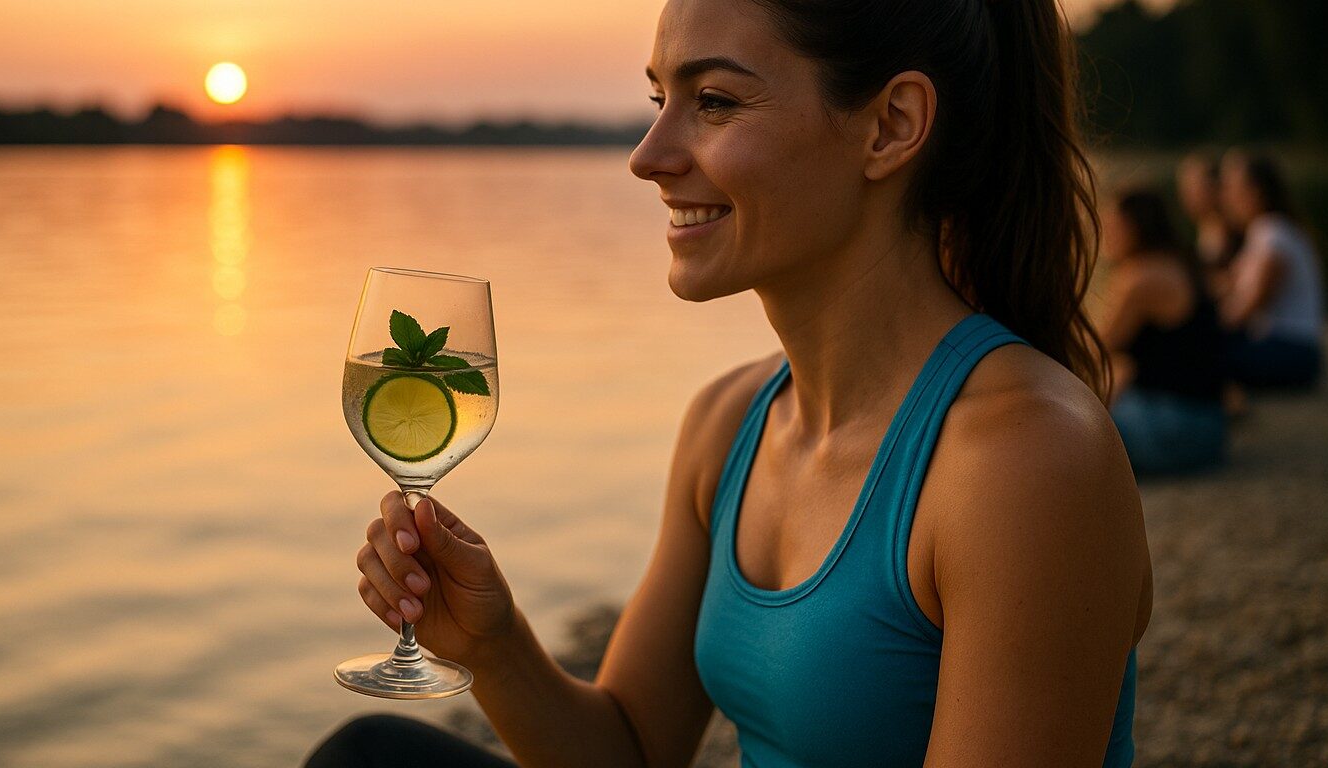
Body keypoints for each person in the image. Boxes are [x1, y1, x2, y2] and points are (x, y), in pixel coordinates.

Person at [308, 0, 1152, 765]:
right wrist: (492, 644)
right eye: (658, 101)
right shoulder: (730, 422)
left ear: (891, 126)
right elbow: (629, 751)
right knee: (372, 756)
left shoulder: (1025, 462)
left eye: (713, 101)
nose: (649, 156)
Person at [1095, 188, 1228, 476]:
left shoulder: (1141, 279)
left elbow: (1096, 349)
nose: (1105, 233)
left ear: (1137, 227)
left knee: (1074, 429)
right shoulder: (1178, 263)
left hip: (1179, 428)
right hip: (1206, 424)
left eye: (1113, 225)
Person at [1216, 149, 1327, 391]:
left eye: (1232, 188)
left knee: (1200, 356)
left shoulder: (1273, 236)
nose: (1225, 197)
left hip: (1290, 354)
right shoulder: (1267, 232)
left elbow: (1248, 306)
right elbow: (1226, 287)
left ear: (1255, 192)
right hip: (1291, 352)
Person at [1174, 150, 1242, 301]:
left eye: (1193, 188)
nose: (1185, 196)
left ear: (1215, 187)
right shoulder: (1205, 227)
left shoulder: (1231, 229)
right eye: (1183, 188)